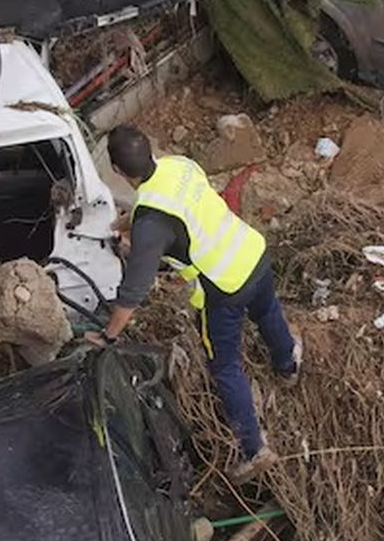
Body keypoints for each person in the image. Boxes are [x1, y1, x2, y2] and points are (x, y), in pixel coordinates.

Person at [92, 124, 300, 483]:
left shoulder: (151, 223)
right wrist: (133, 223)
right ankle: (288, 366)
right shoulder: (180, 165)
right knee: (268, 312)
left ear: (117, 172)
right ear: (151, 148)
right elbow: (181, 206)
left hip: (223, 288)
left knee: (225, 366)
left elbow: (135, 291)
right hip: (252, 253)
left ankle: (254, 448)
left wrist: (109, 336)